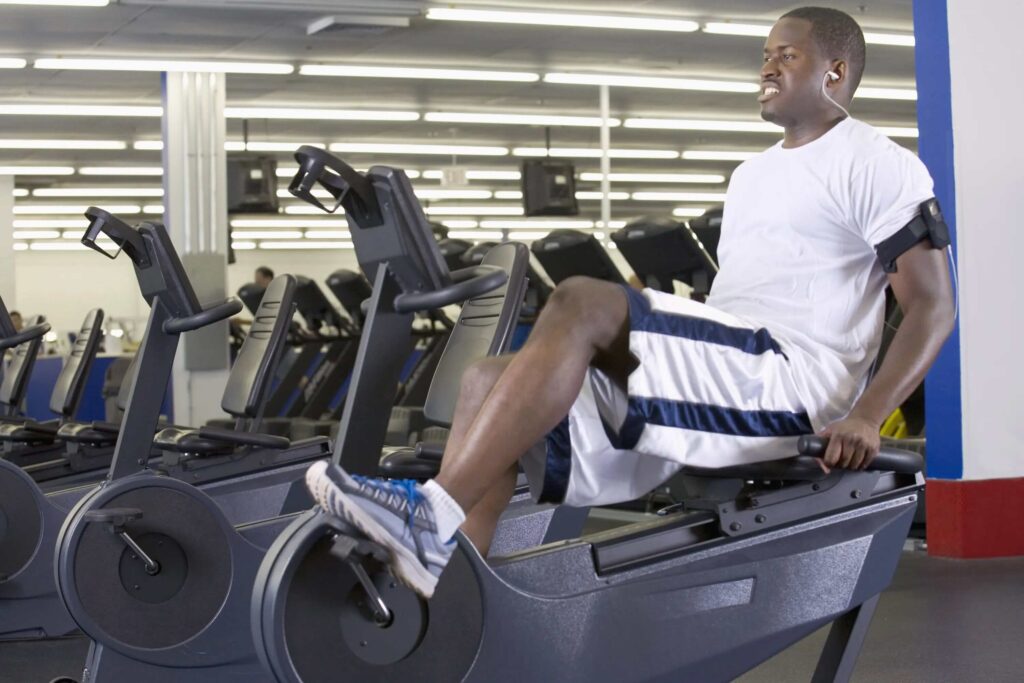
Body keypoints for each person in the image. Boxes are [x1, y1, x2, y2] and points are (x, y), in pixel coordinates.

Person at [304, 6, 956, 600]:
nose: (767, 65)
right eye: (765, 53)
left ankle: (430, 514)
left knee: (581, 300)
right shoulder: (751, 175)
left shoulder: (879, 163)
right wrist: (651, 317)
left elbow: (932, 305)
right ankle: (444, 596)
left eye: (786, 55)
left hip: (790, 381)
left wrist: (870, 415)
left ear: (835, 72)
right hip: (731, 367)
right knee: (485, 379)